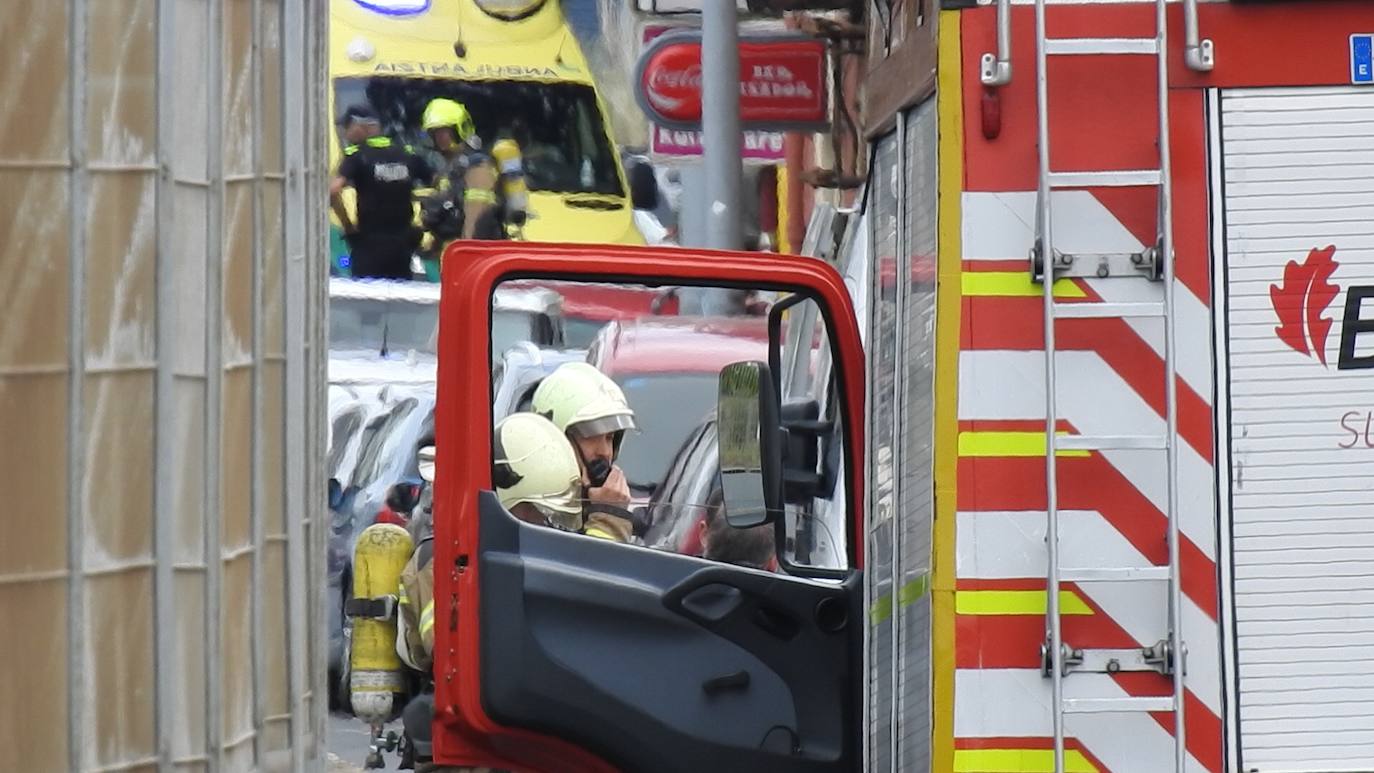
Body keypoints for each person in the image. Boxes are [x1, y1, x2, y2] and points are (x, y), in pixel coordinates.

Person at [529, 362, 641, 543]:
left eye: (610, 437)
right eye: (591, 435)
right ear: (557, 438)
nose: (605, 452)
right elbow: (588, 569)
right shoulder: (532, 513)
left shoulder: (585, 512)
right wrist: (608, 522)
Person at [331, 104, 432, 279]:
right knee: (400, 300)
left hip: (369, 244)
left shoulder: (357, 155)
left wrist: (348, 226)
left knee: (366, 301)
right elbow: (437, 185)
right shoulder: (407, 154)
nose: (345, 133)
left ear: (361, 126)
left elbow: (333, 191)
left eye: (347, 126)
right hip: (402, 247)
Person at [418, 98, 526, 245]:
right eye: (435, 133)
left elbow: (475, 216)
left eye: (445, 131)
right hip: (449, 249)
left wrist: (467, 250)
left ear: (459, 130)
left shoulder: (477, 166)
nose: (440, 138)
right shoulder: (449, 169)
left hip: (472, 252)